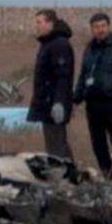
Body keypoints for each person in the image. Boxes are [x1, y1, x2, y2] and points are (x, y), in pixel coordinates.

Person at [73, 12, 112, 180]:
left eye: (103, 26)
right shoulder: (89, 49)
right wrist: (76, 99)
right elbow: (83, 75)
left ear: (108, 27)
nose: (100, 30)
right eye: (96, 27)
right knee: (98, 142)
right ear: (91, 29)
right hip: (92, 103)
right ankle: (108, 175)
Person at [26, 9, 76, 161]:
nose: (37, 26)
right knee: (54, 142)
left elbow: (63, 76)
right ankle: (68, 169)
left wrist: (59, 102)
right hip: (46, 102)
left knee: (56, 145)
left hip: (54, 103)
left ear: (50, 23)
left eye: (39, 22)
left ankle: (64, 171)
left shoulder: (59, 44)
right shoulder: (48, 43)